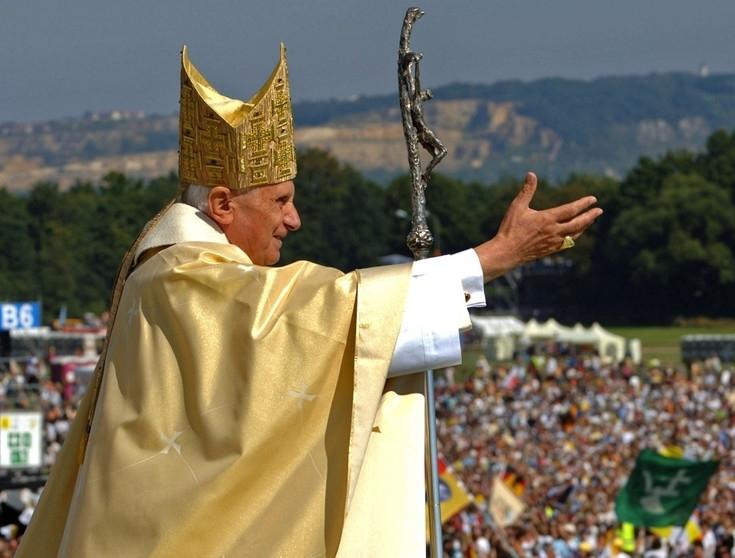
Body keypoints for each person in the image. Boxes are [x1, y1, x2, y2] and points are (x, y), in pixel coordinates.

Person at [16, 45, 600, 557]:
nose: (294, 219)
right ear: (222, 204)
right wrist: (493, 257)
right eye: (280, 201)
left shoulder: (179, 270)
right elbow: (322, 323)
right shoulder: (181, 277)